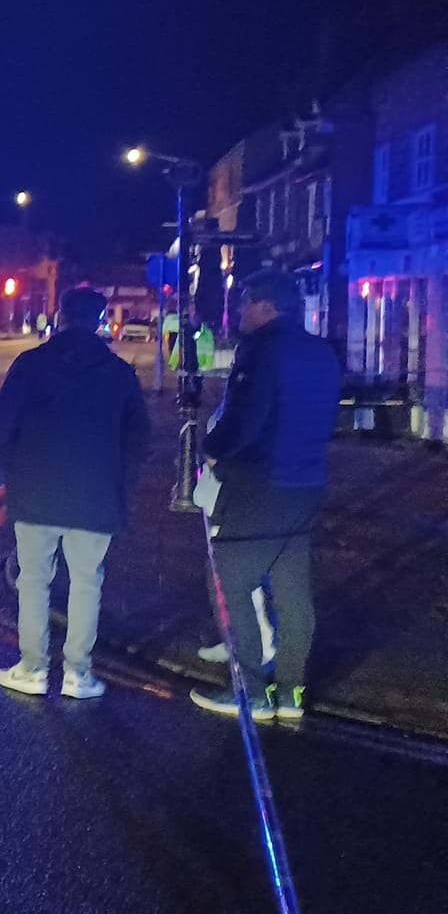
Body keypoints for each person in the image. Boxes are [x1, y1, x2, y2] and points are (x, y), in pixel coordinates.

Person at [190, 269, 343, 722]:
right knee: (294, 593)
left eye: (244, 303)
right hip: (307, 484)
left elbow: (246, 418)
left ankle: (253, 693)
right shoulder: (322, 352)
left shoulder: (260, 351)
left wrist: (212, 449)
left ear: (265, 305)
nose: (238, 312)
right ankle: (292, 694)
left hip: (259, 485)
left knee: (228, 581)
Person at [0, 286, 150, 701]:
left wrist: (17, 472)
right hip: (96, 495)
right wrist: (119, 483)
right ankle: (79, 673)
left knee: (34, 581)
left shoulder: (30, 365)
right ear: (98, 320)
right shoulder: (119, 373)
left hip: (36, 490)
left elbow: (3, 426)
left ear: (60, 316)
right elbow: (138, 439)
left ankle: (33, 668)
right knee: (86, 584)